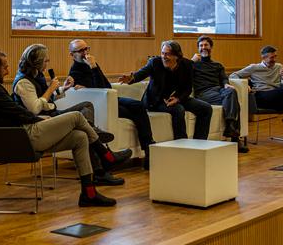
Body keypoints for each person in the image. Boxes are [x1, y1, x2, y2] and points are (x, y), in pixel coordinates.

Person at [0, 50, 123, 207]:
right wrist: (39, 119)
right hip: (21, 138)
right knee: (77, 116)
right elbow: (19, 111)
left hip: (21, 134)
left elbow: (15, 111)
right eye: (5, 67)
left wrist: (43, 115)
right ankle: (106, 155)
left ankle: (89, 194)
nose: (8, 71)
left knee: (80, 137)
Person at [12, 44, 131, 185]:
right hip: (42, 121)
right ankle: (102, 151)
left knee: (86, 106)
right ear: (37, 62)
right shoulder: (24, 82)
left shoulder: (36, 75)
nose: (47, 63)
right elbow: (35, 108)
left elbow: (46, 99)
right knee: (80, 122)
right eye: (45, 61)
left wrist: (63, 88)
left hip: (51, 114)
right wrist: (50, 89)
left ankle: (95, 139)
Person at [68, 39, 155, 169]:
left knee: (138, 105)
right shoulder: (75, 71)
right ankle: (148, 150)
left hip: (111, 97)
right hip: (101, 104)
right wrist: (93, 67)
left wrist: (94, 67)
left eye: (87, 49)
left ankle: (148, 147)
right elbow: (100, 90)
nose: (85, 53)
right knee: (135, 112)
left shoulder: (92, 64)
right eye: (81, 50)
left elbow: (106, 86)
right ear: (72, 55)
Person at [119, 40, 213, 140]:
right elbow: (142, 73)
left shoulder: (187, 65)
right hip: (156, 101)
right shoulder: (155, 62)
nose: (164, 57)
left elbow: (187, 89)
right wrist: (131, 78)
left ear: (177, 56)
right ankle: (182, 142)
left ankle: (199, 142)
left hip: (177, 97)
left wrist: (178, 99)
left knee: (206, 108)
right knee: (178, 109)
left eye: (168, 54)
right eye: (163, 53)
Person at [191, 35, 248, 153]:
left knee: (232, 91)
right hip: (203, 93)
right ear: (198, 49)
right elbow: (181, 71)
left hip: (218, 91)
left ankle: (230, 127)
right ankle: (235, 138)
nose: (203, 47)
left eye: (206, 45)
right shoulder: (194, 65)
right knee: (234, 102)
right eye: (201, 46)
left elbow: (224, 78)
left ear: (211, 47)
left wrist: (226, 84)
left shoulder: (217, 65)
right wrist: (191, 61)